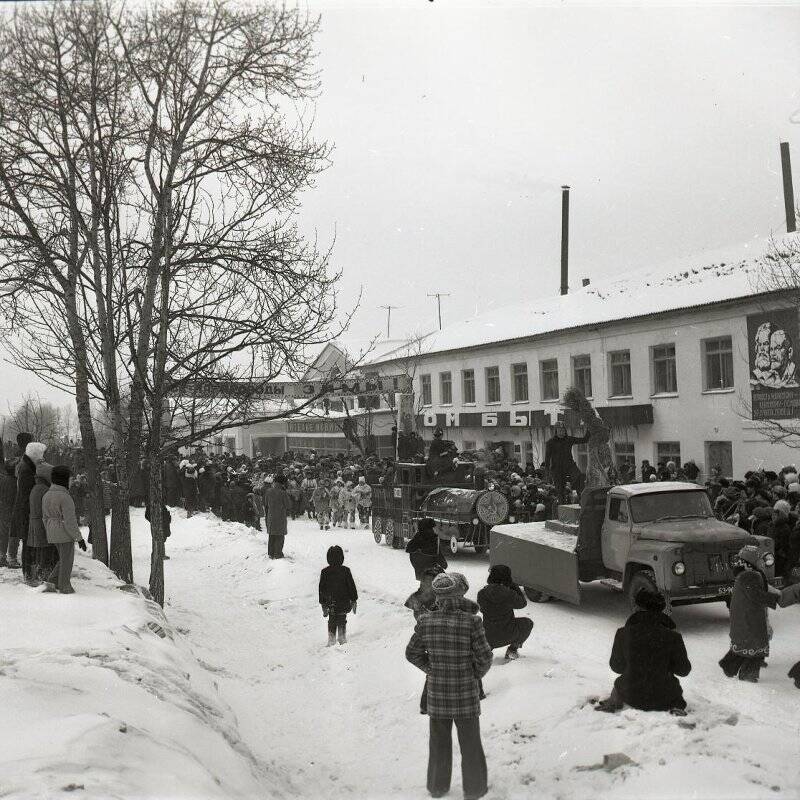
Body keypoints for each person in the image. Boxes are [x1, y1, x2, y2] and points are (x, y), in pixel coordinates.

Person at [405, 572, 493, 800]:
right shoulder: (472, 621)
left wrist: (431, 670)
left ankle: (437, 787)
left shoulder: (425, 621)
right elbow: (485, 657)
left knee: (439, 743)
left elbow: (412, 653)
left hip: (438, 695)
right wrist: (474, 675)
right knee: (471, 744)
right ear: (461, 593)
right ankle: (475, 790)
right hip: (465, 695)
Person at [596, 588, 691, 714]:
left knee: (621, 683)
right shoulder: (673, 636)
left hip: (631, 695)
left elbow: (617, 667)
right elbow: (683, 670)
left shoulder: (623, 633)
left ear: (637, 608)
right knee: (670, 688)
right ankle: (677, 709)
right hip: (665, 698)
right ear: (661, 609)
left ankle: (614, 701)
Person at [719, 545, 780, 683]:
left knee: (745, 643)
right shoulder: (750, 576)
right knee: (755, 645)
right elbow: (757, 595)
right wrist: (776, 599)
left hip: (745, 614)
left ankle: (729, 665)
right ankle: (747, 674)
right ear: (751, 562)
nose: (762, 562)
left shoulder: (744, 574)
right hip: (749, 617)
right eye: (759, 559)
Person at [42, 465, 87, 594]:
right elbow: (70, 522)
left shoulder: (46, 495)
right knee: (67, 561)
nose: (72, 482)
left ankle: (52, 581)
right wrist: (79, 539)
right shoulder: (65, 497)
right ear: (63, 480)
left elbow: (44, 517)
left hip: (52, 531)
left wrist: (49, 530)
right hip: (64, 533)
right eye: (70, 479)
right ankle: (65, 587)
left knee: (62, 559)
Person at [477, 564, 533, 661]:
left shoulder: (482, 593)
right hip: (508, 634)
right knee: (527, 623)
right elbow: (522, 604)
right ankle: (512, 650)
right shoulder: (509, 593)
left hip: (487, 636)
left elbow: (481, 609)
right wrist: (513, 586)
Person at [12, 441, 46, 583]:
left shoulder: (26, 465)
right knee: (28, 543)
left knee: (30, 542)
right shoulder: (27, 469)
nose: (43, 457)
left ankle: (30, 573)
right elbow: (27, 495)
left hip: (26, 511)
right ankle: (28, 575)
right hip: (26, 512)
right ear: (35, 455)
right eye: (42, 454)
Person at [318, 545, 358, 646]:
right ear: (342, 558)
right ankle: (342, 636)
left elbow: (321, 589)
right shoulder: (346, 571)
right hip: (344, 602)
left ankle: (331, 638)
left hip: (331, 602)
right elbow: (351, 587)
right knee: (342, 619)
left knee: (332, 620)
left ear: (328, 558)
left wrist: (323, 604)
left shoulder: (325, 572)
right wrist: (354, 600)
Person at [28, 462, 59, 586]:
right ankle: (44, 574)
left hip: (36, 522)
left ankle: (39, 573)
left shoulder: (36, 487)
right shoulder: (45, 489)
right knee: (46, 549)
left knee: (40, 549)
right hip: (42, 523)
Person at [543, 422, 590, 503]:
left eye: (563, 430)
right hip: (557, 469)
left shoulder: (569, 439)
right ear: (556, 431)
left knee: (579, 477)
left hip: (569, 465)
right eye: (560, 430)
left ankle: (582, 499)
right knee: (560, 490)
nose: (562, 432)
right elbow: (547, 458)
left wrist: (589, 428)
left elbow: (584, 440)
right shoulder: (550, 442)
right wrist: (547, 473)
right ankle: (562, 506)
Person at [265, 474, 290, 559]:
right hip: (280, 516)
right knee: (280, 535)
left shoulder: (268, 491)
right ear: (282, 483)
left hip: (271, 515)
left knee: (272, 535)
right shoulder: (283, 492)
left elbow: (265, 503)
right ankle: (278, 553)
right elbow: (288, 505)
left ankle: (271, 553)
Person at [0, 461, 17, 568]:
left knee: (3, 534)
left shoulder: (2, 480)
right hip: (12, 511)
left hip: (3, 510)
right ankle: (11, 558)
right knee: (13, 535)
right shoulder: (15, 482)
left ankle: (1, 557)